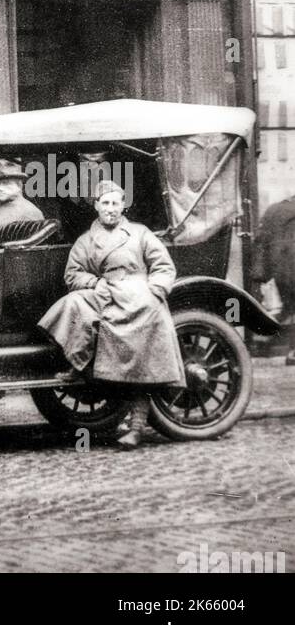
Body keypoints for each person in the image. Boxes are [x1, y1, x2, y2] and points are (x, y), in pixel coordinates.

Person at [38, 178, 186, 449]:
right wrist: (94, 283)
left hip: (139, 299)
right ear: (96, 206)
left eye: (115, 203)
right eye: (105, 203)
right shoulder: (86, 240)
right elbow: (73, 274)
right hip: (104, 293)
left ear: (123, 206)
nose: (110, 209)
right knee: (72, 304)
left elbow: (164, 267)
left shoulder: (140, 234)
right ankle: (79, 363)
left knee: (141, 355)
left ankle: (137, 426)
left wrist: (154, 291)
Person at [251, 193, 295, 365]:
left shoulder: (273, 210)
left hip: (279, 270)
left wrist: (261, 274)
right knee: (290, 308)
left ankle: (260, 339)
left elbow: (260, 241)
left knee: (288, 307)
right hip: (291, 267)